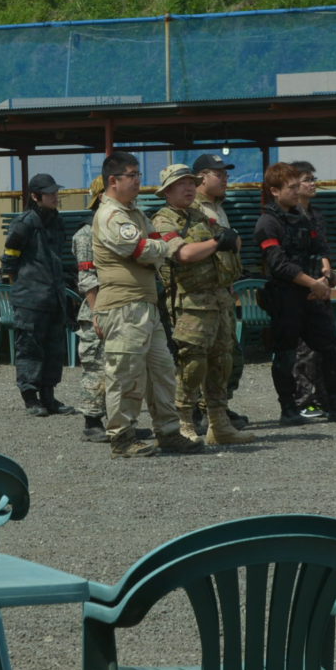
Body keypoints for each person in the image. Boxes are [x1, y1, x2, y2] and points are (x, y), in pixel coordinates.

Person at [91, 152, 222, 458]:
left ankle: (169, 432)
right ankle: (122, 437)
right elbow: (141, 249)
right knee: (126, 374)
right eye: (132, 175)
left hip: (145, 304)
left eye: (138, 174)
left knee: (161, 372)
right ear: (113, 181)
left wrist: (157, 247)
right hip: (123, 306)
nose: (138, 180)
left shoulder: (135, 213)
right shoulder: (110, 215)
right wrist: (163, 247)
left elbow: (153, 244)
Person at [254, 163, 336, 427]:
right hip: (286, 298)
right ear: (275, 191)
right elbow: (278, 264)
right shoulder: (268, 222)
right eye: (290, 187)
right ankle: (289, 409)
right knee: (286, 355)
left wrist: (325, 277)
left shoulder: (302, 218)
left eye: (296, 186)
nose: (296, 191)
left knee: (332, 348)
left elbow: (318, 248)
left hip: (311, 296)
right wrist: (313, 283)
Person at [152, 164, 251, 446]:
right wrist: (218, 242)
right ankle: (184, 422)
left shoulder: (201, 216)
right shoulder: (162, 220)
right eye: (181, 184)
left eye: (191, 183)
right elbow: (183, 253)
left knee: (222, 361)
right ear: (167, 191)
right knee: (191, 363)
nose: (188, 188)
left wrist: (223, 240)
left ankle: (219, 424)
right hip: (190, 303)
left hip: (219, 299)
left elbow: (235, 241)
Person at [1, 172, 74, 417]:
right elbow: (9, 259)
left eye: (56, 192)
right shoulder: (24, 223)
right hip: (31, 299)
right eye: (49, 193)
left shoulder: (56, 221)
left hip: (54, 297)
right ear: (35, 196)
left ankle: (49, 397)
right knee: (30, 348)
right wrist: (23, 287)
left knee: (54, 349)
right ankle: (31, 398)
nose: (55, 196)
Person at [191, 153, 251, 429]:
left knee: (228, 355)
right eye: (219, 174)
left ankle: (219, 406)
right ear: (201, 178)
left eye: (226, 174)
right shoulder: (194, 209)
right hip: (203, 293)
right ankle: (201, 411)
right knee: (203, 354)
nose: (225, 179)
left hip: (223, 290)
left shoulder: (217, 206)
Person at [289, 161, 334, 421]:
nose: (312, 184)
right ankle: (303, 401)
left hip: (320, 287)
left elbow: (323, 249)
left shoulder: (315, 214)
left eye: (313, 178)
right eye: (307, 179)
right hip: (301, 288)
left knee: (325, 348)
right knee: (303, 351)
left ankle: (325, 398)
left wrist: (327, 272)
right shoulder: (289, 215)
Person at [71, 175, 107, 442]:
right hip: (97, 310)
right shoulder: (86, 235)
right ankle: (92, 422)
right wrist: (97, 312)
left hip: (120, 307)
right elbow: (87, 278)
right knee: (96, 368)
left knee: (122, 371)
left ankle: (119, 421)